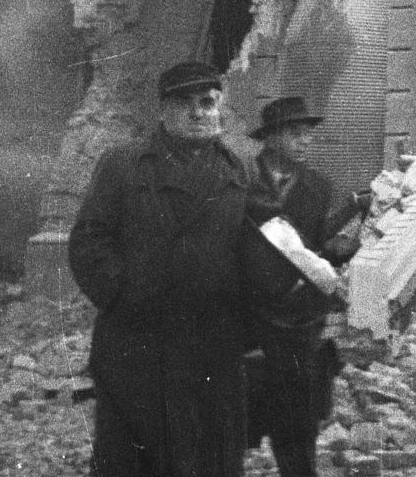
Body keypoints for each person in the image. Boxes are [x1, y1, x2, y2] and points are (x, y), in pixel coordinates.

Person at [69, 60, 253, 477]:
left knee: (209, 460)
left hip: (211, 348)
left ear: (220, 107)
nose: (198, 113)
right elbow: (88, 240)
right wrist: (124, 294)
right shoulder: (123, 164)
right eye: (183, 103)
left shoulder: (238, 171)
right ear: (161, 112)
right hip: (138, 344)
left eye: (207, 102)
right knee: (133, 461)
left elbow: (250, 250)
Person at [244, 96, 363, 477]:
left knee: (297, 427)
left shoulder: (317, 186)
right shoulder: (241, 180)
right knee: (238, 421)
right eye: (295, 134)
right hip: (248, 320)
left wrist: (345, 250)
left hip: (299, 323)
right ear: (271, 138)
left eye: (308, 135)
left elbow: (312, 246)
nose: (304, 142)